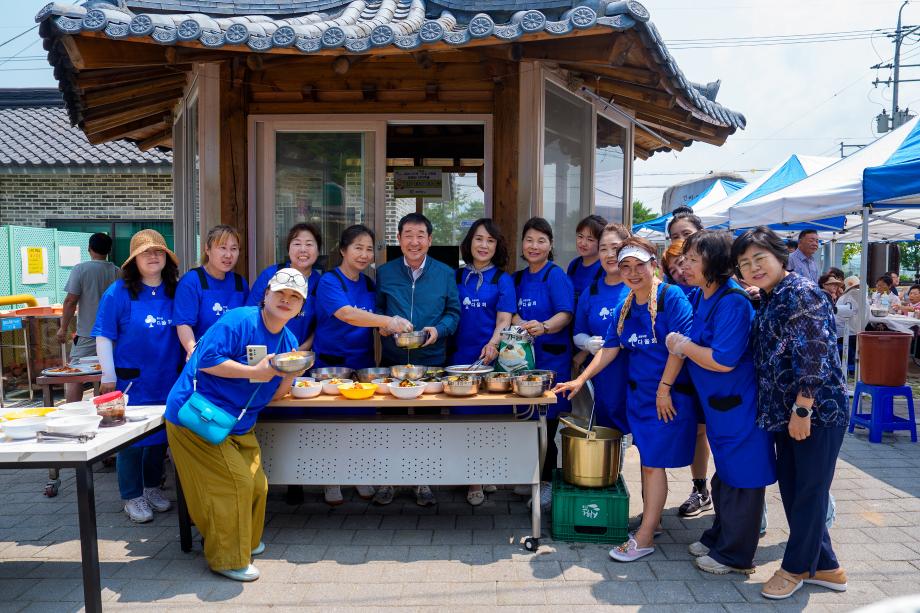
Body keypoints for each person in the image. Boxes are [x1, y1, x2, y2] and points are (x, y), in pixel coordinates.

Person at [554, 237, 696, 562]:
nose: (633, 273)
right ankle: (653, 521)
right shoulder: (627, 304)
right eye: (626, 266)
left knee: (651, 466)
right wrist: (580, 378)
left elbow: (680, 345)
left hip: (667, 396)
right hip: (640, 398)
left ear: (654, 264)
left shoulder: (671, 297)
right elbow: (609, 348)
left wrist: (663, 389)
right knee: (649, 462)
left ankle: (644, 536)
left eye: (639, 265)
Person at [165, 268, 305, 582]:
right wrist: (254, 370)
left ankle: (246, 542)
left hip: (239, 423)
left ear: (301, 308)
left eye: (294, 297)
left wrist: (292, 372)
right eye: (280, 293)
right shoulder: (240, 320)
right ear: (266, 294)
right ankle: (227, 558)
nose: (286, 300)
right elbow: (206, 361)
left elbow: (278, 392)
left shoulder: (288, 340)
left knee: (257, 484)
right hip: (199, 415)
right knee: (234, 483)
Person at [732, 226, 848, 600]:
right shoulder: (770, 295)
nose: (753, 267)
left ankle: (796, 567)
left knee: (809, 490)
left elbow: (815, 354)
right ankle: (827, 566)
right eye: (745, 263)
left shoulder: (802, 293)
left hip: (815, 411)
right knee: (796, 488)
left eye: (759, 259)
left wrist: (803, 408)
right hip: (785, 412)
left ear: (781, 257)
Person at [665, 231, 776, 575]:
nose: (684, 264)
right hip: (719, 405)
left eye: (693, 259)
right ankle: (719, 537)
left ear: (715, 263)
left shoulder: (733, 301)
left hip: (737, 405)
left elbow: (724, 359)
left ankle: (736, 555)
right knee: (725, 475)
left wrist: (683, 346)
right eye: (684, 258)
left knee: (743, 477)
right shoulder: (701, 295)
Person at [311, 225, 411, 506]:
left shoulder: (368, 283)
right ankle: (331, 479)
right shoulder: (329, 281)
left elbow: (374, 318)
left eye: (369, 249)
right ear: (343, 250)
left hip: (363, 365)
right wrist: (386, 321)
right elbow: (347, 314)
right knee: (332, 425)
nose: (364, 254)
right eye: (358, 247)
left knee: (361, 425)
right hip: (332, 367)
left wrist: (387, 328)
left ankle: (359, 474)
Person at [93, 229, 183, 523]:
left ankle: (152, 487)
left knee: (158, 437)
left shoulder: (175, 290)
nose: (153, 257)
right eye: (146, 252)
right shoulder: (117, 292)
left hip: (167, 376)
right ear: (135, 260)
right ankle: (132, 496)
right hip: (131, 379)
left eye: (159, 252)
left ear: (167, 258)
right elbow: (104, 336)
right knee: (130, 441)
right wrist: (107, 375)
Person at [374, 212, 460, 507]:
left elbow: (454, 313)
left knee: (427, 425)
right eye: (407, 235)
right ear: (398, 239)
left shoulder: (446, 273)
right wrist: (383, 326)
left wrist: (440, 329)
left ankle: (423, 481)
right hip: (394, 360)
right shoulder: (384, 273)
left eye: (420, 235)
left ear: (430, 240)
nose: (414, 241)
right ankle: (387, 481)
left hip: (432, 361)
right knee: (390, 424)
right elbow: (377, 312)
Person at [452, 218, 517, 506]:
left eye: (490, 240)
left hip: (490, 358)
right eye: (478, 239)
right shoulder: (456, 276)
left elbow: (504, 319)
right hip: (457, 358)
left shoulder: (503, 279)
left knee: (487, 420)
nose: (483, 245)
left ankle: (480, 473)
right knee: (463, 420)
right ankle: (473, 479)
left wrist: (493, 344)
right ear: (469, 243)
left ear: (497, 246)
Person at [512, 217, 575, 507]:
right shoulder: (518, 278)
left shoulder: (556, 275)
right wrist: (521, 322)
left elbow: (566, 314)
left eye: (541, 240)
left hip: (552, 361)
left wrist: (545, 326)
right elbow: (510, 312)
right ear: (522, 244)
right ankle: (530, 475)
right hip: (523, 362)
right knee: (526, 422)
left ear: (550, 245)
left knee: (547, 425)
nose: (534, 246)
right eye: (529, 240)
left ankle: (547, 482)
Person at [571, 223, 631, 434]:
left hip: (634, 373)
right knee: (607, 429)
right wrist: (587, 343)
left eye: (615, 248)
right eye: (603, 249)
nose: (609, 254)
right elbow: (577, 333)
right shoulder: (591, 292)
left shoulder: (637, 287)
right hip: (603, 376)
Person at [56, 232, 120, 403]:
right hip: (112, 335)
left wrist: (63, 328)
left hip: (87, 334)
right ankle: (102, 413)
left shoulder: (80, 269)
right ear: (110, 250)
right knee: (105, 374)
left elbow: (71, 301)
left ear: (89, 248)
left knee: (76, 375)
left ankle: (73, 415)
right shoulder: (117, 272)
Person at [175, 225, 248, 359]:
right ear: (207, 249)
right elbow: (184, 324)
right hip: (203, 358)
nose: (228, 255)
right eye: (222, 248)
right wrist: (193, 352)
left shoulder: (240, 283)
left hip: (234, 359)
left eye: (234, 249)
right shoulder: (192, 281)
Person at [247, 223, 322, 349]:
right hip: (265, 352)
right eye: (297, 244)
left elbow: (320, 325)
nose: (303, 249)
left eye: (309, 244)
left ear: (318, 251)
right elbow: (251, 314)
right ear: (288, 249)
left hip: (300, 355)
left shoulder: (320, 282)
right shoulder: (270, 274)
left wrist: (299, 352)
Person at [567, 214, 607, 300]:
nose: (583, 243)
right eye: (580, 236)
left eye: (590, 239)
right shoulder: (574, 265)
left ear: (601, 242)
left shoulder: (605, 268)